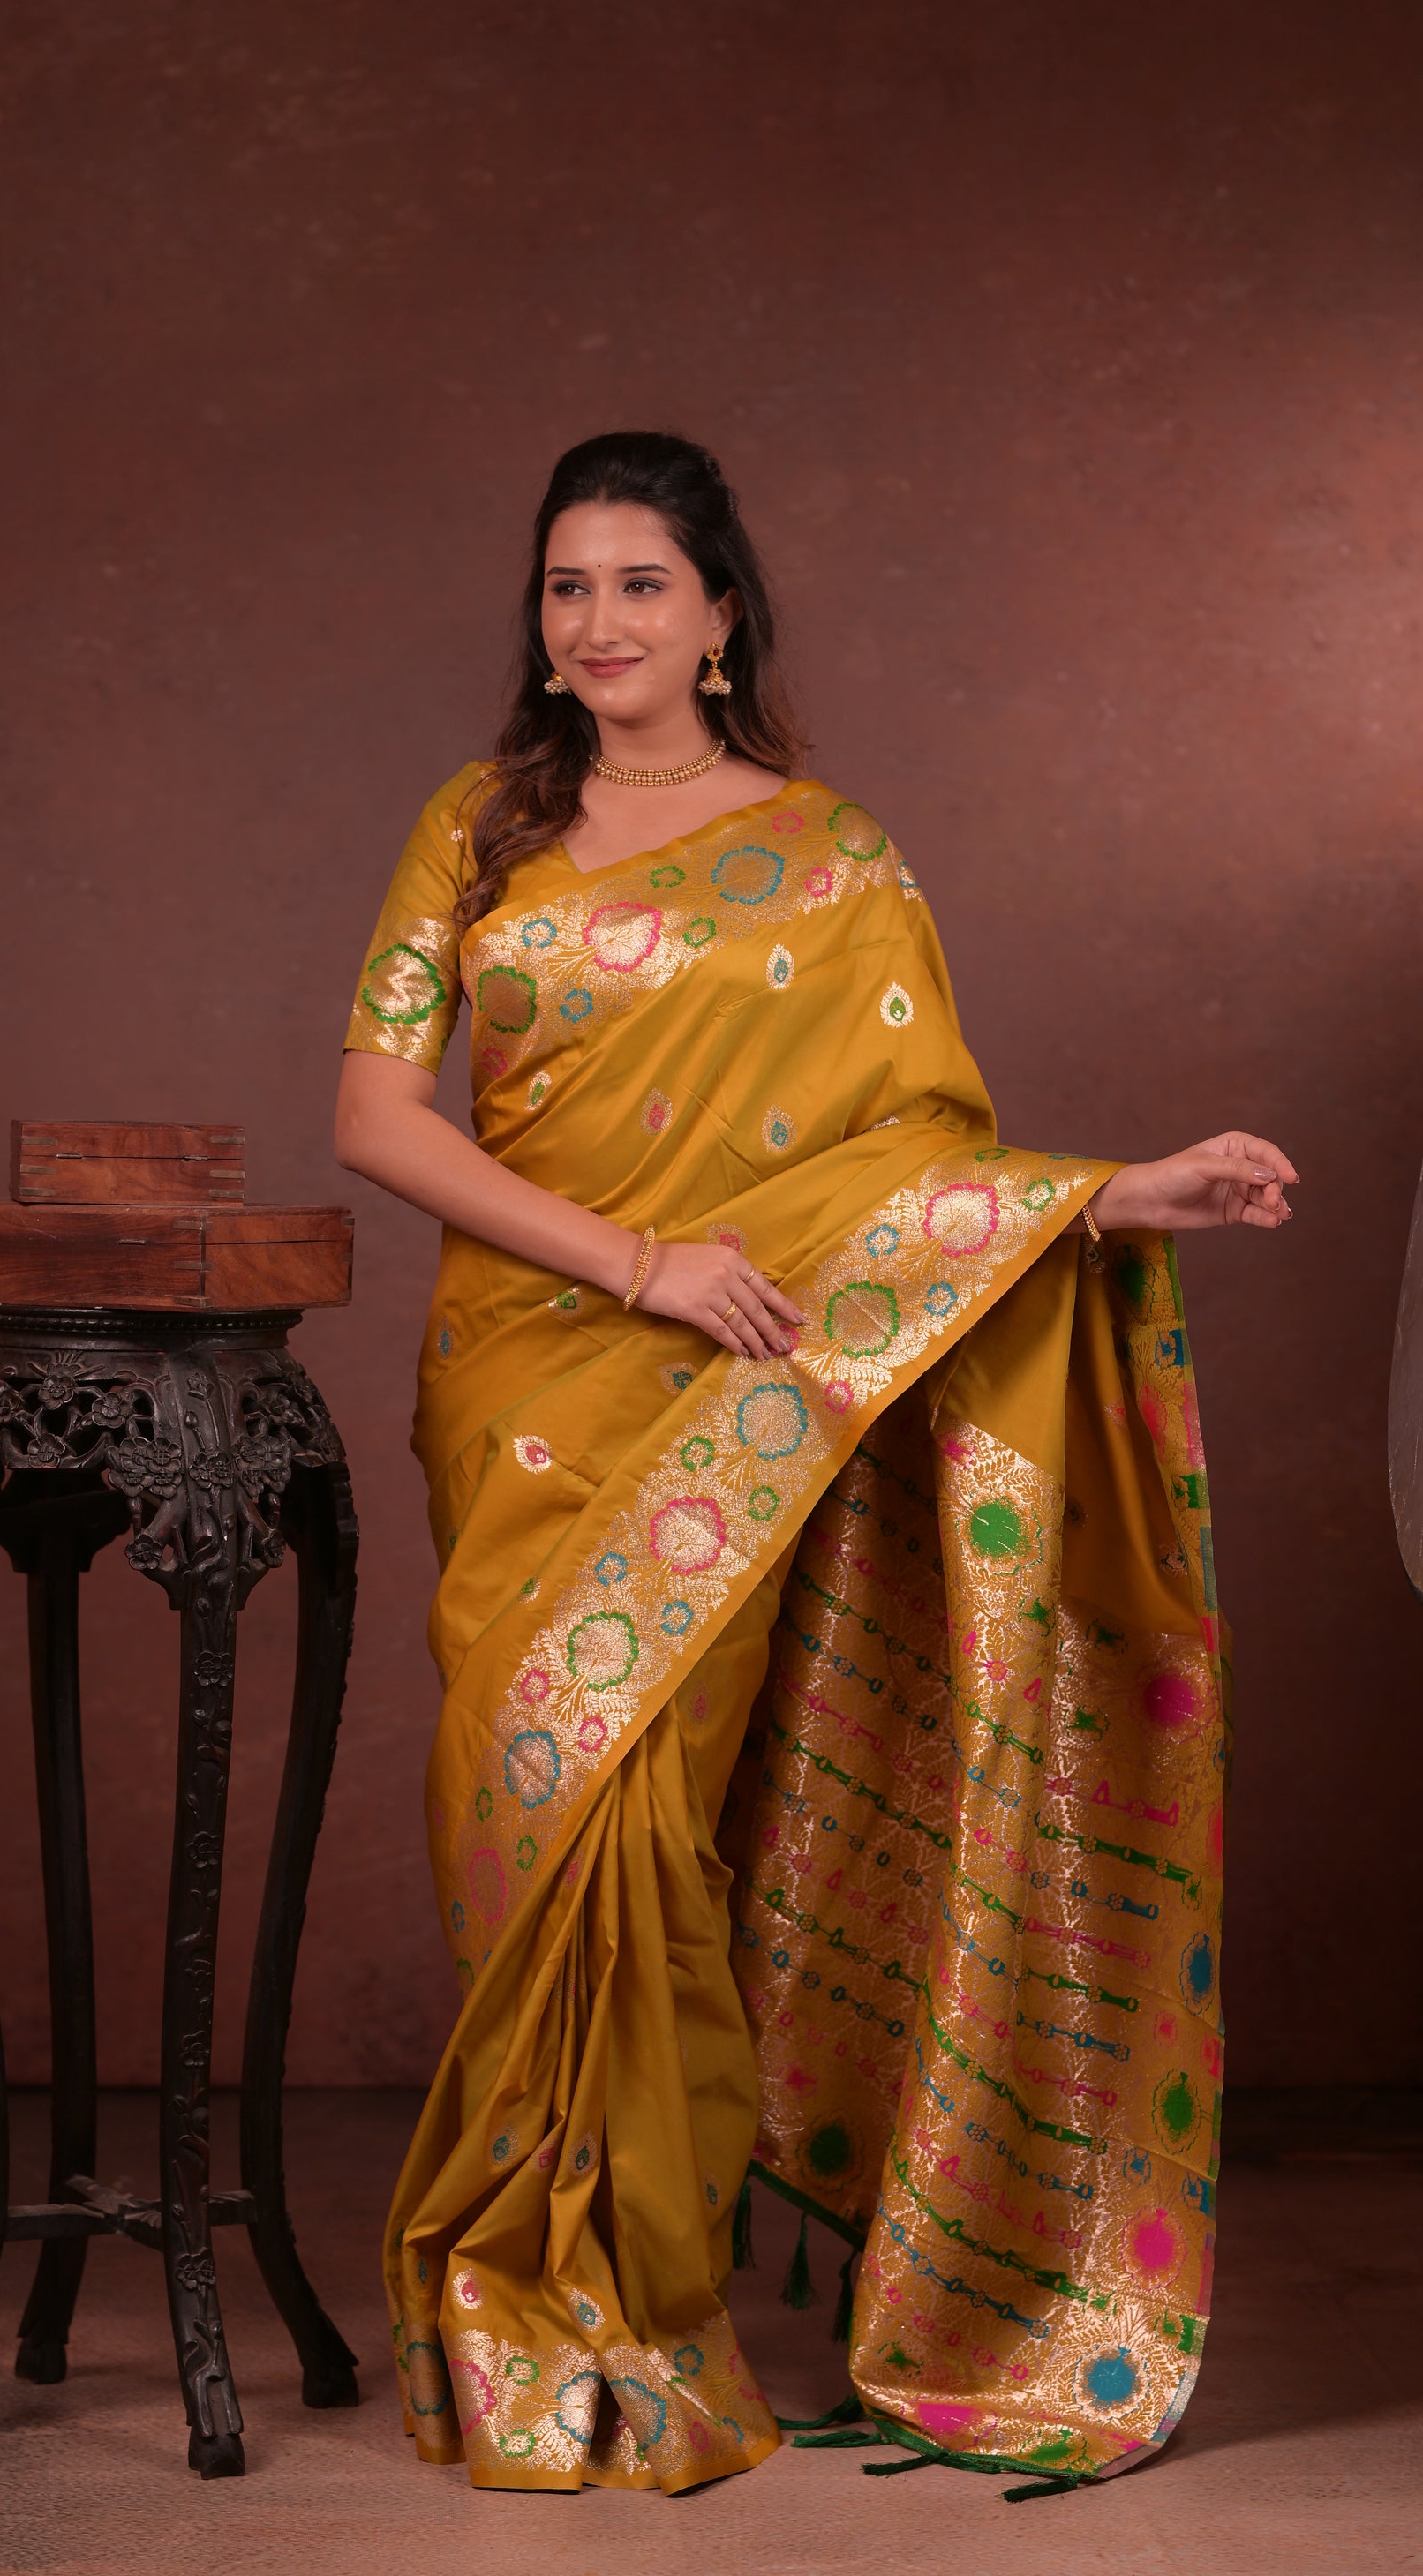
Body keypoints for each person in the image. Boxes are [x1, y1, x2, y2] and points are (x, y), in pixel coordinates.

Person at [335, 430, 1294, 2497]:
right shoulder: (472, 830)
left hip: (736, 1394)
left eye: (638, 582)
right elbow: (375, 1117)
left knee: (650, 1817)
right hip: (525, 1378)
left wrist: (1116, 1192)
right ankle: (519, 2271)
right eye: (566, 585)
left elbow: (912, 1158)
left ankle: (635, 2291)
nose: (597, 619)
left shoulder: (834, 856)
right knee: (522, 1794)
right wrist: (638, 1262)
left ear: (719, 612)